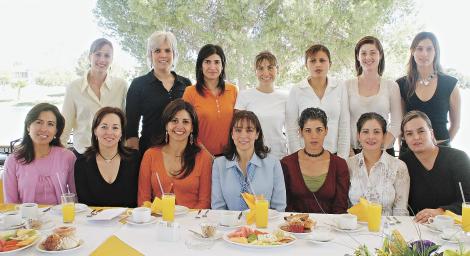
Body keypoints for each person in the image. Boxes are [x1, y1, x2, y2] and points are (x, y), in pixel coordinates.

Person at [138, 99, 212, 209]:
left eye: (186, 122)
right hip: (158, 222)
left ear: (192, 128)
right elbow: (143, 200)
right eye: (174, 120)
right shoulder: (150, 155)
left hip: (192, 222)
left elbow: (204, 202)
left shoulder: (203, 157)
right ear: (166, 125)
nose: (179, 126)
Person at [126, 31, 191, 155]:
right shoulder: (138, 84)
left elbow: (191, 121)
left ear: (174, 54)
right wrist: (134, 160)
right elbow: (131, 130)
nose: (163, 55)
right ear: (150, 55)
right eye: (157, 51)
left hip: (181, 153)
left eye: (167, 50)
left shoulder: (186, 84)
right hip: (150, 152)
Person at [399, 111, 470, 222]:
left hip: (454, 227)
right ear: (405, 139)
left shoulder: (458, 158)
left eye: (421, 131)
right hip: (417, 227)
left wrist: (440, 212)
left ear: (431, 133)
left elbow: (468, 201)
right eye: (409, 134)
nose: (416, 137)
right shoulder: (403, 162)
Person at [61, 38, 128, 157]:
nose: (102, 59)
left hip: (113, 154)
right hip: (83, 154)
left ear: (111, 59)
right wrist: (58, 151)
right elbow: (65, 124)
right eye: (98, 54)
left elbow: (125, 122)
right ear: (90, 56)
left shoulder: (121, 86)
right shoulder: (74, 87)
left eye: (107, 55)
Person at [397, 32, 461, 153]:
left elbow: (456, 124)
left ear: (435, 52)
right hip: (410, 151)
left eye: (429, 49)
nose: (424, 54)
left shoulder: (450, 84)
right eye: (419, 49)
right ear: (412, 51)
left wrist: (440, 146)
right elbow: (400, 123)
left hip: (441, 150)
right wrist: (402, 149)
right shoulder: (401, 84)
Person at [211, 111, 286, 211]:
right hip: (230, 226)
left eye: (249, 130)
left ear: (257, 134)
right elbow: (218, 208)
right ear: (232, 134)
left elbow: (279, 208)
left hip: (264, 225)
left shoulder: (273, 164)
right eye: (238, 130)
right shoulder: (219, 164)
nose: (243, 135)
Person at [286, 44, 350, 159]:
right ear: (306, 65)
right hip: (306, 157)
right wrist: (298, 159)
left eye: (322, 60)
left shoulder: (340, 87)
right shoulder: (297, 90)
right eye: (313, 61)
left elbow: (344, 125)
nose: (318, 64)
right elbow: (291, 129)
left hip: (333, 155)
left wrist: (342, 159)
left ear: (329, 64)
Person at [3, 103, 76, 204]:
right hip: (26, 219)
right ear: (28, 126)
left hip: (61, 218)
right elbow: (10, 204)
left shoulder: (68, 157)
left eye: (50, 124)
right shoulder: (13, 160)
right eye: (39, 122)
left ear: (56, 131)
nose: (44, 129)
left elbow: (74, 197)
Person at [281, 108, 349, 213]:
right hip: (295, 226)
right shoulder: (287, 164)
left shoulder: (339, 164)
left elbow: (340, 207)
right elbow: (285, 204)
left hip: (330, 227)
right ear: (300, 132)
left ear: (326, 131)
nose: (314, 136)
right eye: (308, 130)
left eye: (319, 130)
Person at [346, 36, 402, 156]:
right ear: (357, 56)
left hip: (384, 150)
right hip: (353, 152)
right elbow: (343, 122)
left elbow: (397, 122)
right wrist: (349, 150)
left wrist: (381, 148)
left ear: (380, 55)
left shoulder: (391, 86)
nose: (368, 57)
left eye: (373, 53)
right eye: (363, 53)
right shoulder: (347, 85)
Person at [74, 107, 140, 208]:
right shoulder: (82, 163)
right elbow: (84, 204)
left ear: (121, 133)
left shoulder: (135, 159)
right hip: (94, 222)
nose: (109, 132)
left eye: (115, 128)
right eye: (104, 127)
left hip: (128, 221)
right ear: (95, 130)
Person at [347, 112, 410, 216]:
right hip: (354, 229)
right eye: (365, 132)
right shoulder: (349, 165)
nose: (371, 137)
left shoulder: (399, 167)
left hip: (386, 230)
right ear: (358, 136)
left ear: (384, 136)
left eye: (376, 132)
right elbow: (345, 206)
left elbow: (401, 211)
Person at [183, 44, 237, 157]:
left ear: (222, 66)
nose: (212, 67)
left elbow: (238, 125)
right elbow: (187, 127)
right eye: (207, 62)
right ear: (200, 65)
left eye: (217, 62)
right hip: (200, 155)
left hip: (230, 157)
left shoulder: (233, 90)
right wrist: (207, 156)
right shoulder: (190, 92)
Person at [235, 51, 288, 159]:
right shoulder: (244, 96)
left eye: (270, 67)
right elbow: (237, 130)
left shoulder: (286, 98)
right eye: (260, 68)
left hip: (279, 156)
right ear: (255, 71)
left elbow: (292, 130)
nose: (265, 73)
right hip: (251, 157)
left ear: (277, 69)